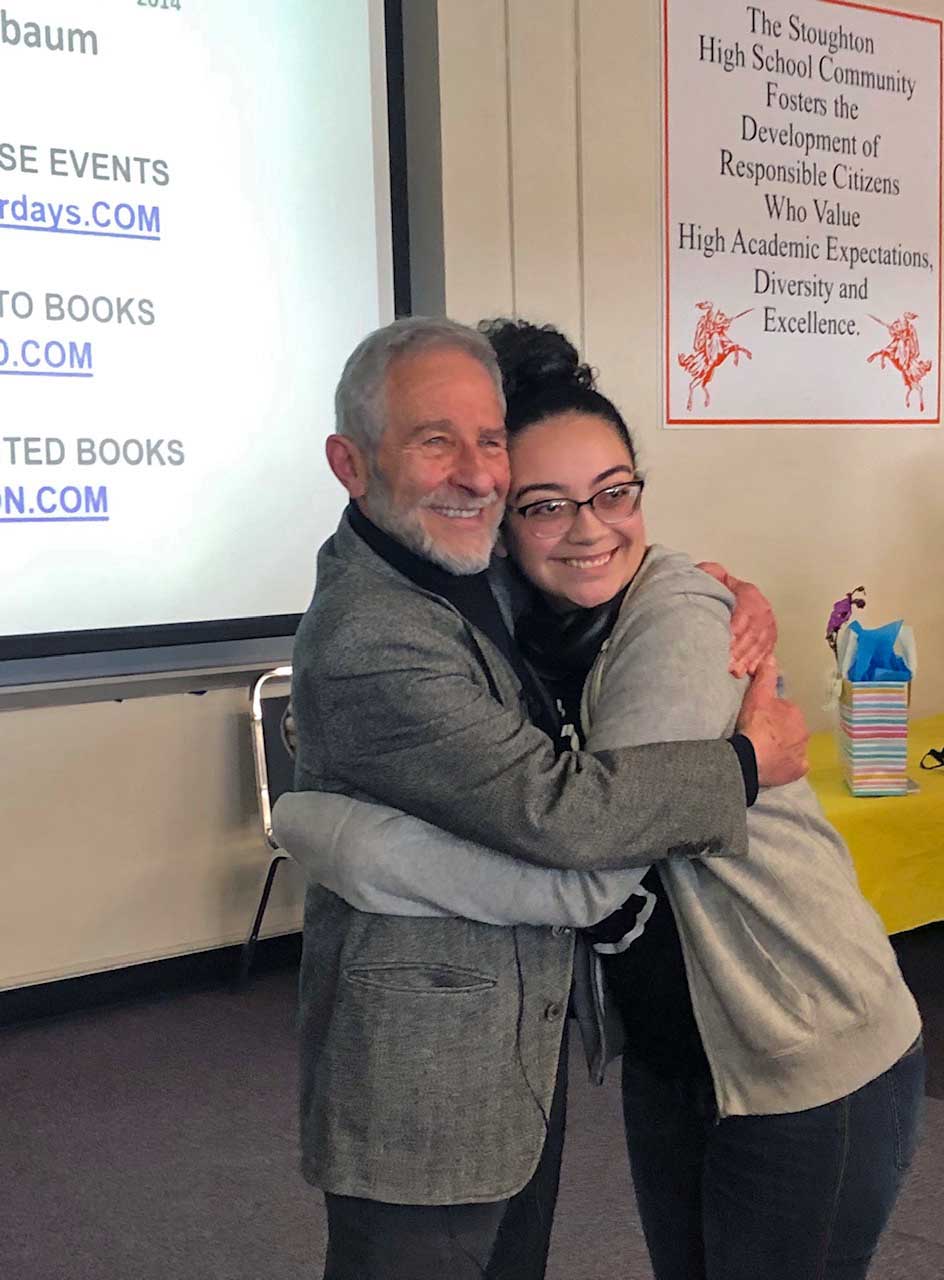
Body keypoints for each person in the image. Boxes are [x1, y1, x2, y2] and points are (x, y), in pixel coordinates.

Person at [276, 319, 923, 1280]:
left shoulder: (669, 614)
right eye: (545, 505)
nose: (588, 528)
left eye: (615, 492)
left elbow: (590, 863)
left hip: (799, 1040)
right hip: (671, 1050)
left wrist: (341, 841)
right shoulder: (478, 604)